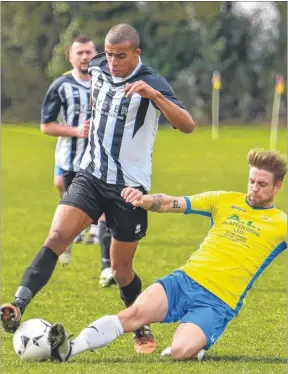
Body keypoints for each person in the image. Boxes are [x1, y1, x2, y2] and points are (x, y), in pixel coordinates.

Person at [1, 24, 195, 354]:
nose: (113, 62)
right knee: (56, 237)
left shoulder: (152, 82)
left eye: (121, 56)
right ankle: (18, 304)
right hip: (90, 176)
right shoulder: (96, 66)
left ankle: (140, 324)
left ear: (137, 53)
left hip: (128, 190)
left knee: (121, 270)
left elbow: (187, 125)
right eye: (108, 55)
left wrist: (156, 97)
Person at [46, 149, 286, 362]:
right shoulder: (224, 200)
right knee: (133, 315)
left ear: (278, 186)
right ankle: (71, 348)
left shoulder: (280, 224)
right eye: (251, 181)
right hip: (183, 281)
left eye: (262, 184)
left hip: (218, 301)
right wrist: (144, 200)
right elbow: (173, 202)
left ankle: (195, 344)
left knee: (180, 351)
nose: (254, 188)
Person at [40, 37, 113, 286]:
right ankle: (69, 239)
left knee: (105, 212)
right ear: (70, 57)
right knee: (70, 207)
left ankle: (106, 268)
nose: (84, 57)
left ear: (97, 55)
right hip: (71, 160)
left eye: (89, 52)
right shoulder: (61, 86)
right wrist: (76, 131)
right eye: (79, 52)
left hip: (101, 162)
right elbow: (46, 126)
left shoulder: (107, 83)